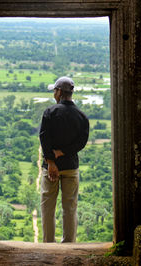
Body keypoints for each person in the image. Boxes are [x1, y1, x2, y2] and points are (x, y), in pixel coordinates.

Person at [39, 76, 89, 243]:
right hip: (71, 167)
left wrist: (52, 162)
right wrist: (63, 151)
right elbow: (81, 142)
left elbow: (44, 139)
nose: (54, 93)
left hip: (50, 168)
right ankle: (69, 244)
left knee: (48, 207)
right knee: (70, 207)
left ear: (59, 92)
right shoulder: (82, 116)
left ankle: (48, 244)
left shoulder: (50, 113)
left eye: (54, 90)